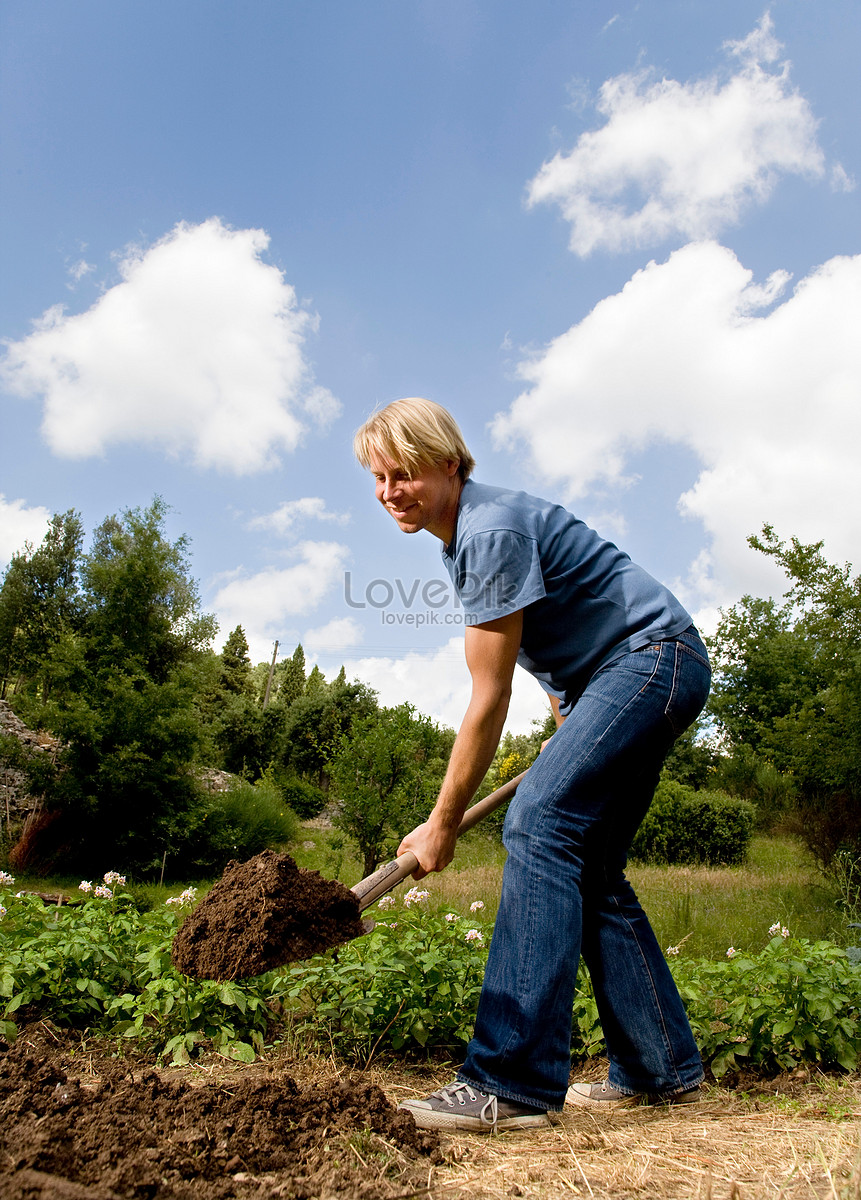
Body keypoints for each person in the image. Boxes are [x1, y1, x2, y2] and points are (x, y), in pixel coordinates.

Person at [353, 397, 711, 1133]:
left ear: (449, 464)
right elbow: (550, 639)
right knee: (592, 869)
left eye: (405, 474)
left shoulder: (489, 531)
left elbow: (488, 693)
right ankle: (662, 1067)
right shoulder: (466, 535)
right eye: (379, 478)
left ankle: (509, 1082)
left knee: (539, 823)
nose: (390, 492)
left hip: (648, 660)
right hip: (634, 671)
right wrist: (572, 719)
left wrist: (441, 823)